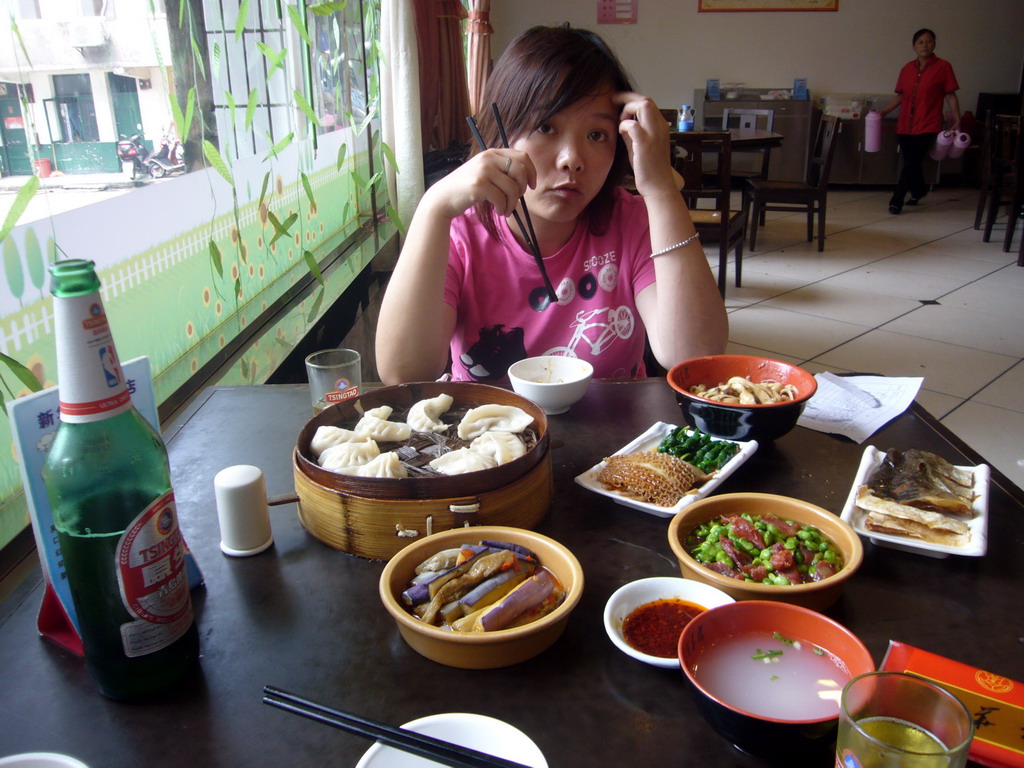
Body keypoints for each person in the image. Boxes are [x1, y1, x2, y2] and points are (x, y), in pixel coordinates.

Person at [375, 25, 728, 385]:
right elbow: (405, 373)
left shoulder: (631, 221)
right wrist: (433, 207)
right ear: (499, 132)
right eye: (545, 127)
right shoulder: (460, 233)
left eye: (596, 135)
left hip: (615, 438)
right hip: (487, 436)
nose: (572, 160)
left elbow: (695, 355)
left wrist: (661, 191)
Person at [879, 28, 960, 215]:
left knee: (912, 161)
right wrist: (885, 112)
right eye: (920, 42)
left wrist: (957, 119)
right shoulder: (907, 69)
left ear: (934, 44)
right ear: (914, 46)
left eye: (928, 41)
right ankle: (919, 190)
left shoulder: (943, 67)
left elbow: (950, 95)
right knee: (910, 161)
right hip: (906, 123)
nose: (925, 45)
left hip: (928, 123)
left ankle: (896, 199)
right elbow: (901, 96)